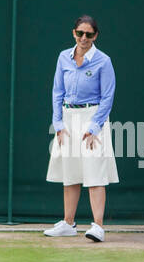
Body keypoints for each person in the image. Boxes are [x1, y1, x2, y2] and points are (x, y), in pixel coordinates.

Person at [43, 15, 117, 242]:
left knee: (95, 172)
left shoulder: (103, 61)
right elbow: (57, 92)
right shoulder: (63, 57)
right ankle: (68, 223)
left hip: (93, 117)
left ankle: (98, 226)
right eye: (80, 33)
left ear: (95, 36)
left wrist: (94, 126)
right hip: (67, 118)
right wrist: (58, 123)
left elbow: (107, 96)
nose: (84, 38)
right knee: (71, 171)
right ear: (73, 33)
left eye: (89, 34)